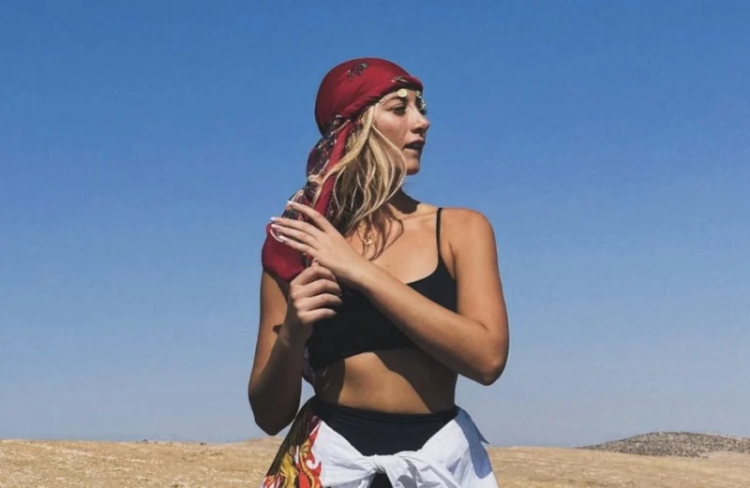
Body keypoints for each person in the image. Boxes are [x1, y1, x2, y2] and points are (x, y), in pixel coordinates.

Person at [248, 58, 509, 488]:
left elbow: (488, 360)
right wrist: (292, 334)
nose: (422, 122)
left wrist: (361, 273)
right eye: (399, 108)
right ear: (352, 127)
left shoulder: (461, 230)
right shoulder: (297, 244)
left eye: (421, 108)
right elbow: (268, 415)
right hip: (326, 464)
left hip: (439, 464)